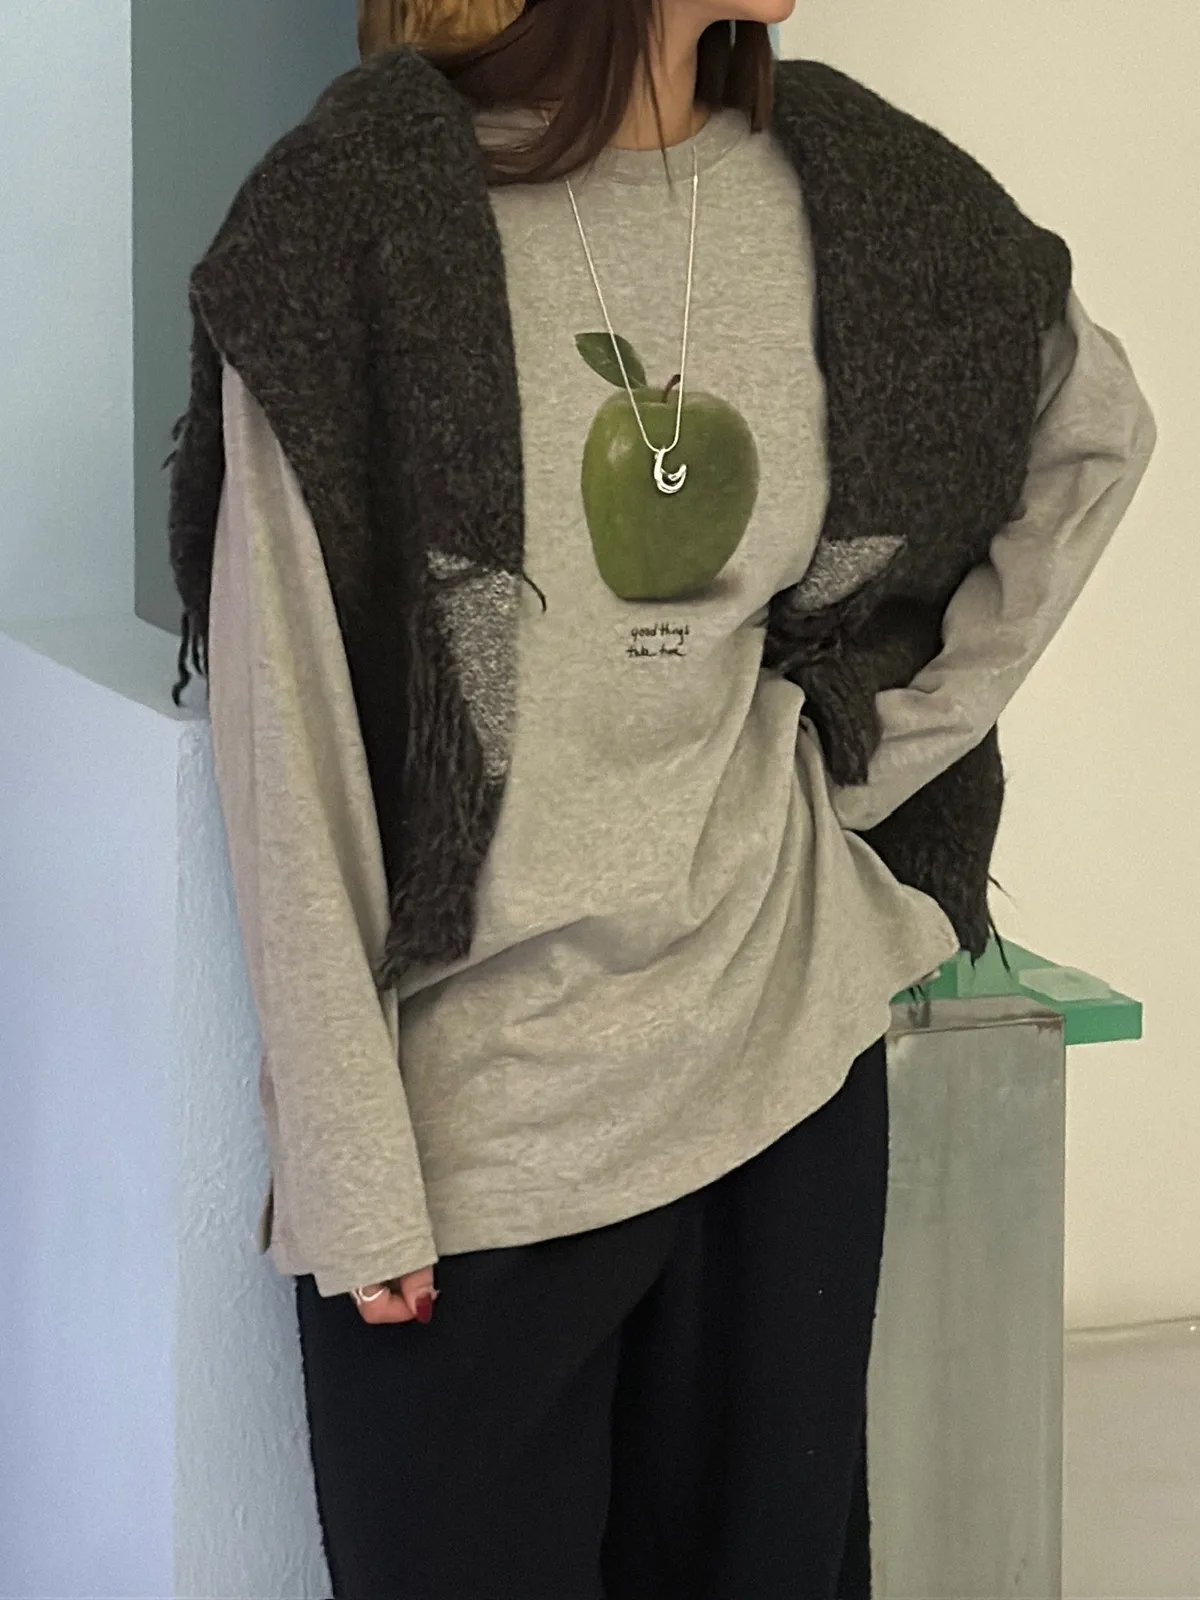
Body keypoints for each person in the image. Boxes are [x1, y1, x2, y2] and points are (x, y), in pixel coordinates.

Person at [164, 0, 1157, 1593]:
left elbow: (1085, 430)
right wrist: (351, 1174)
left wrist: (865, 763)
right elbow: (289, 712)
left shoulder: (853, 189)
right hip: (489, 1133)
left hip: (780, 1077)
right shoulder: (360, 222)